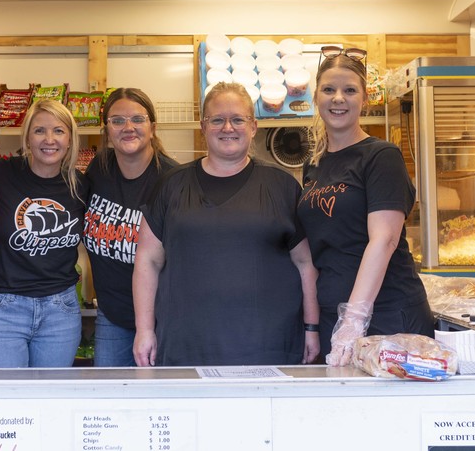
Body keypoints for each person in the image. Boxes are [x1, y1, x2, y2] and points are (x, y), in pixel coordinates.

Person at [132, 81, 319, 367]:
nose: (227, 128)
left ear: (254, 126)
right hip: (187, 344)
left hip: (268, 346)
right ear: (203, 126)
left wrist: (311, 328)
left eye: (237, 120)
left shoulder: (281, 186)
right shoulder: (170, 185)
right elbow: (147, 261)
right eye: (217, 120)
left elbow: (305, 264)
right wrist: (144, 330)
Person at [297, 45, 434, 367]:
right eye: (328, 89)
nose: (338, 98)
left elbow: (384, 239)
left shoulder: (381, 156)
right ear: (316, 96)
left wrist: (355, 319)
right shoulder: (314, 166)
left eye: (349, 90)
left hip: (386, 314)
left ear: (365, 99)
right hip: (335, 312)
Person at [0, 99, 88, 368]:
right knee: (2, 403)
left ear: (70, 138)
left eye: (59, 131)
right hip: (2, 308)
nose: (50, 139)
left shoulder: (81, 186)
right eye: (39, 131)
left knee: (51, 401)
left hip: (61, 311)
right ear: (27, 138)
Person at [82, 87, 178, 367]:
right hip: (112, 316)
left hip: (162, 320)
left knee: (158, 404)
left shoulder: (171, 180)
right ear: (107, 128)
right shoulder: (99, 170)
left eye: (138, 119)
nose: (128, 128)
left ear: (152, 127)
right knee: (110, 401)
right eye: (117, 120)